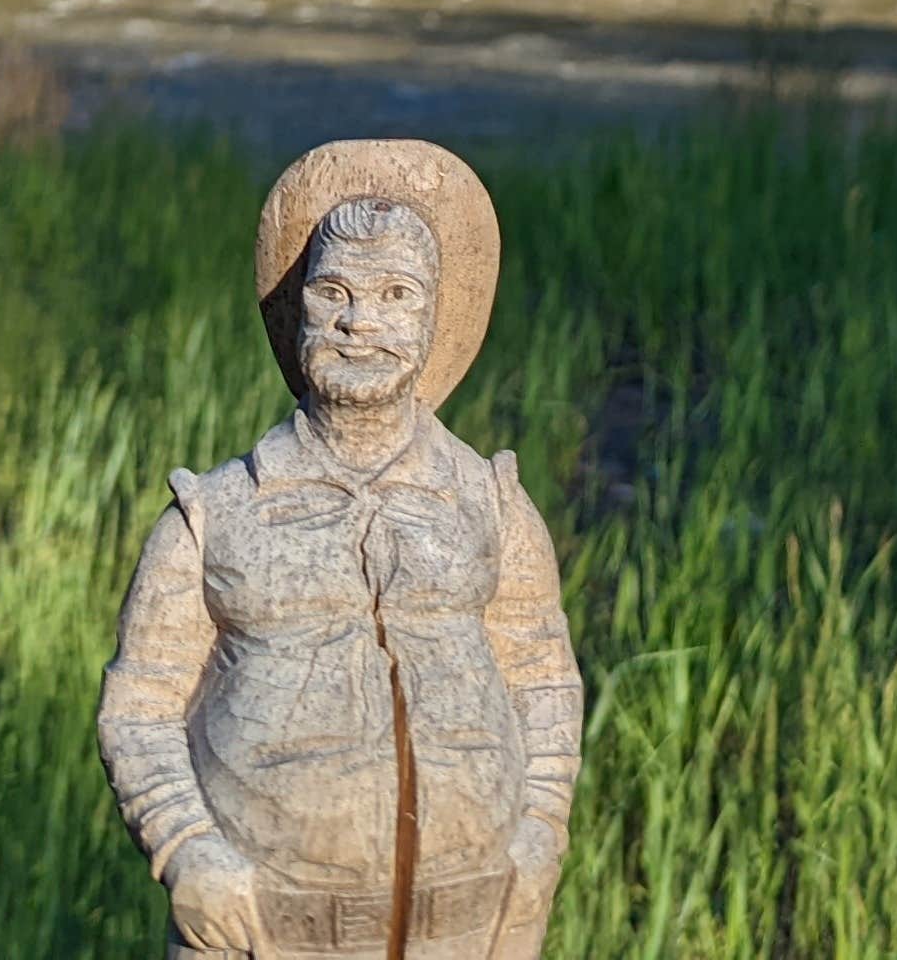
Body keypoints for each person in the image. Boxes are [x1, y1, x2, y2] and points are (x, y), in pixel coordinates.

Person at [95, 146, 579, 960]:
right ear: (298, 313)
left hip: (476, 925)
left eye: (397, 295)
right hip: (257, 932)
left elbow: (541, 674)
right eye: (333, 292)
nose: (361, 321)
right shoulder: (212, 513)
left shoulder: (492, 502)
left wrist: (539, 829)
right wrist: (187, 851)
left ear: (435, 319)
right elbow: (140, 707)